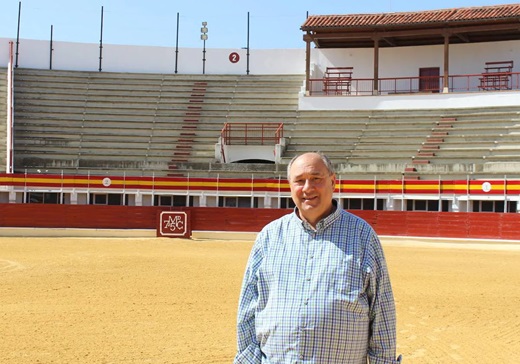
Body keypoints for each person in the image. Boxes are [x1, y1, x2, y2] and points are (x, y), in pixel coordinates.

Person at [234, 152, 401, 363]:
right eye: (299, 181)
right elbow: (248, 309)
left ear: (333, 182)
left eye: (316, 179)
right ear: (290, 186)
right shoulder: (269, 236)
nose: (307, 188)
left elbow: (381, 311)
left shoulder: (362, 235)